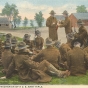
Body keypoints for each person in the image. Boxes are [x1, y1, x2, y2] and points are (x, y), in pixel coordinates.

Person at [0, 42, 69, 82]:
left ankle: (59, 74)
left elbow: (11, 67)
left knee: (44, 68)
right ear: (24, 48)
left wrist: (6, 76)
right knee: (45, 62)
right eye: (25, 48)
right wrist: (39, 63)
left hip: (22, 75)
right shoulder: (24, 57)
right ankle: (59, 73)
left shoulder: (15, 56)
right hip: (27, 75)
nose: (26, 48)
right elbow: (33, 65)